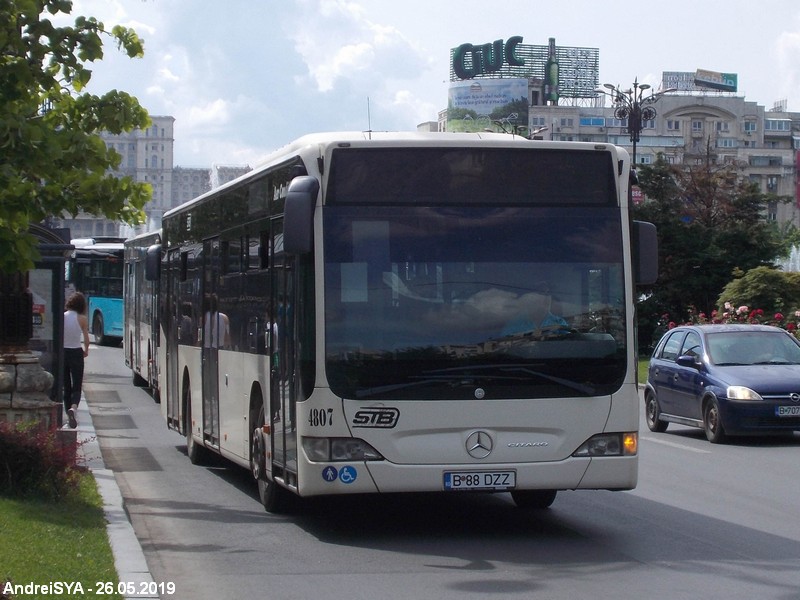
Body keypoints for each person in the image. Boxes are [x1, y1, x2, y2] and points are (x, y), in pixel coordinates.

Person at [501, 280, 569, 338]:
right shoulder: (514, 323)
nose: (546, 298)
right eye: (541, 293)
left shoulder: (559, 323)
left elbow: (567, 343)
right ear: (530, 296)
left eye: (548, 293)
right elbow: (502, 344)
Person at [63, 292, 90, 428]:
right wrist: (86, 350)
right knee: (77, 384)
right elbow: (86, 338)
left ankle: (68, 414)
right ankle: (73, 408)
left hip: (63, 352)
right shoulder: (82, 319)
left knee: (66, 385)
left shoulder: (63, 317)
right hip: (76, 352)